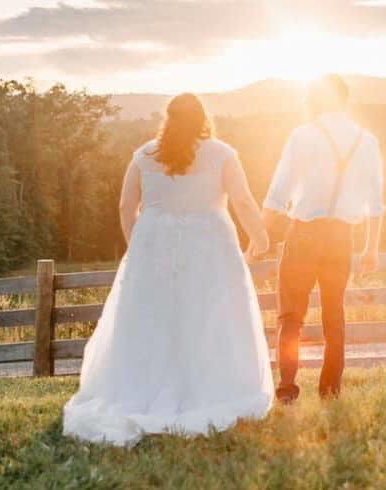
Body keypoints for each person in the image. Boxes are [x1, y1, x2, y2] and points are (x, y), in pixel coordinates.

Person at [63, 93, 273, 446]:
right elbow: (242, 200)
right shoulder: (222, 154)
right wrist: (260, 238)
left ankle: (141, 390)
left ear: (169, 119)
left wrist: (139, 245)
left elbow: (126, 206)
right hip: (209, 247)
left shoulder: (143, 156)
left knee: (154, 319)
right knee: (211, 317)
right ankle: (212, 389)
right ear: (203, 119)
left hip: (154, 246)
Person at [263, 74, 385, 403]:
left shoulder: (303, 135)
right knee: (334, 315)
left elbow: (278, 194)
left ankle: (287, 390)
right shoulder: (367, 141)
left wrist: (256, 239)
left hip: (304, 234)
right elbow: (376, 202)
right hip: (342, 237)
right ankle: (330, 391)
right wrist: (371, 248)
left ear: (317, 99)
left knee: (291, 315)